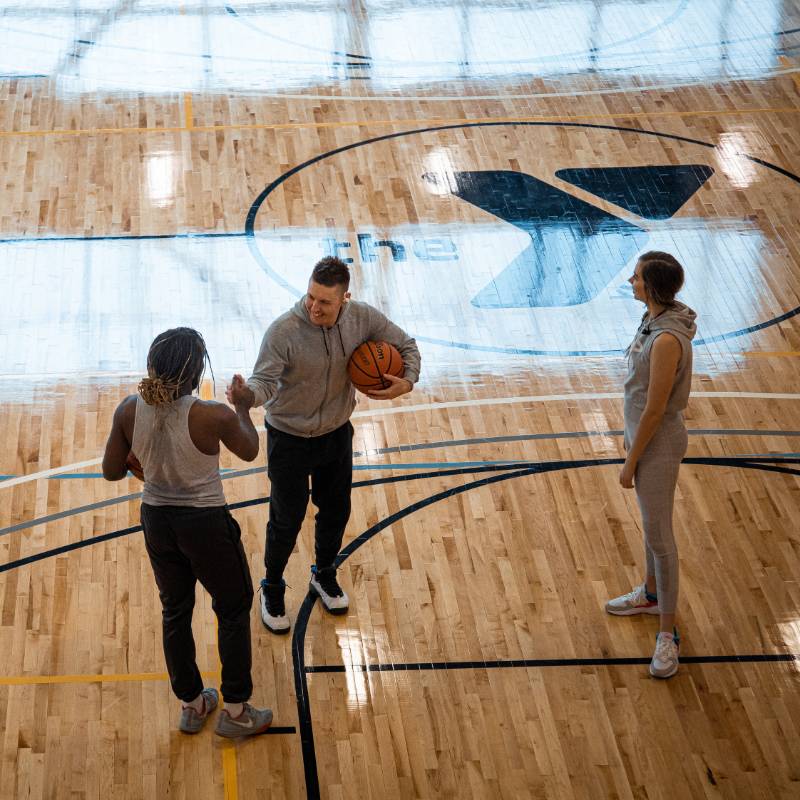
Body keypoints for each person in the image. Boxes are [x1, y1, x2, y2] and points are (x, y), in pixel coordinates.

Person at [227, 256, 421, 634]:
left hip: (335, 433)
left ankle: (324, 572)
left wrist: (408, 380)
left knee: (336, 510)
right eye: (311, 297)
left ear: (344, 298)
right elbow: (264, 382)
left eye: (325, 302)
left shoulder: (363, 319)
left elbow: (406, 345)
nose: (314, 307)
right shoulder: (283, 331)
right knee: (286, 518)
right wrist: (246, 396)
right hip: (289, 437)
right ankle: (272, 585)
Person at [102, 327, 273, 736]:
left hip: (157, 520)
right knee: (232, 607)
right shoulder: (212, 414)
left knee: (175, 610)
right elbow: (250, 450)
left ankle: (193, 705)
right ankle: (235, 712)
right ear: (197, 372)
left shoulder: (129, 409)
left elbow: (110, 471)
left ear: (151, 366)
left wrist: (134, 455)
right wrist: (243, 408)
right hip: (205, 524)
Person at [605, 252, 696, 678]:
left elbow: (656, 410)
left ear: (653, 287)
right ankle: (651, 593)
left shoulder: (665, 340)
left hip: (654, 444)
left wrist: (630, 461)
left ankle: (667, 634)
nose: (630, 281)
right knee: (651, 524)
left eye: (637, 277)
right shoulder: (654, 319)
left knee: (661, 538)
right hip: (642, 436)